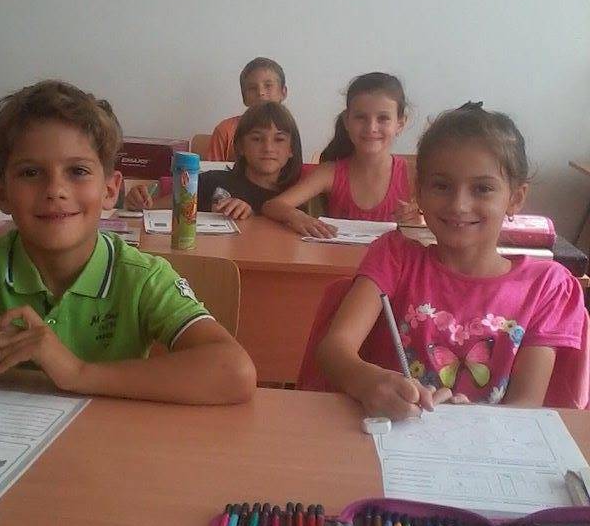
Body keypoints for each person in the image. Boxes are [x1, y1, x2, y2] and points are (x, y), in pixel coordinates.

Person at [0, 80, 256, 405]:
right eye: (31, 172)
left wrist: (77, 372)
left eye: (78, 171)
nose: (55, 190)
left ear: (110, 190)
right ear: (0, 192)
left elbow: (234, 371)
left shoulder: (140, 277)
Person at [313, 102, 588, 417]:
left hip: (492, 443)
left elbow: (525, 406)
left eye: (482, 189)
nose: (459, 205)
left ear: (515, 198)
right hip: (393, 436)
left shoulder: (547, 287)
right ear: (419, 191)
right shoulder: (394, 257)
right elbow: (334, 350)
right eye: (442, 186)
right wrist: (367, 382)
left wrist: (468, 420)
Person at [262, 72, 411, 238]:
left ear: (400, 124)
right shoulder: (330, 173)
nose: (371, 128)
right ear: (347, 121)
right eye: (361, 117)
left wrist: (421, 218)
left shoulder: (412, 175)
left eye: (383, 118)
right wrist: (297, 216)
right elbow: (272, 206)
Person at [126, 102, 303, 219]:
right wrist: (139, 202)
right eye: (257, 139)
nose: (268, 147)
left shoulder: (295, 196)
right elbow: (151, 209)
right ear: (240, 147)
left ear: (291, 149)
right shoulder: (210, 181)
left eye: (279, 139)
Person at [206, 57, 288, 162]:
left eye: (268, 85)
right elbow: (212, 170)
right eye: (252, 88)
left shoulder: (289, 130)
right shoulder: (225, 131)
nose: (260, 93)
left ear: (283, 92)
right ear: (244, 97)